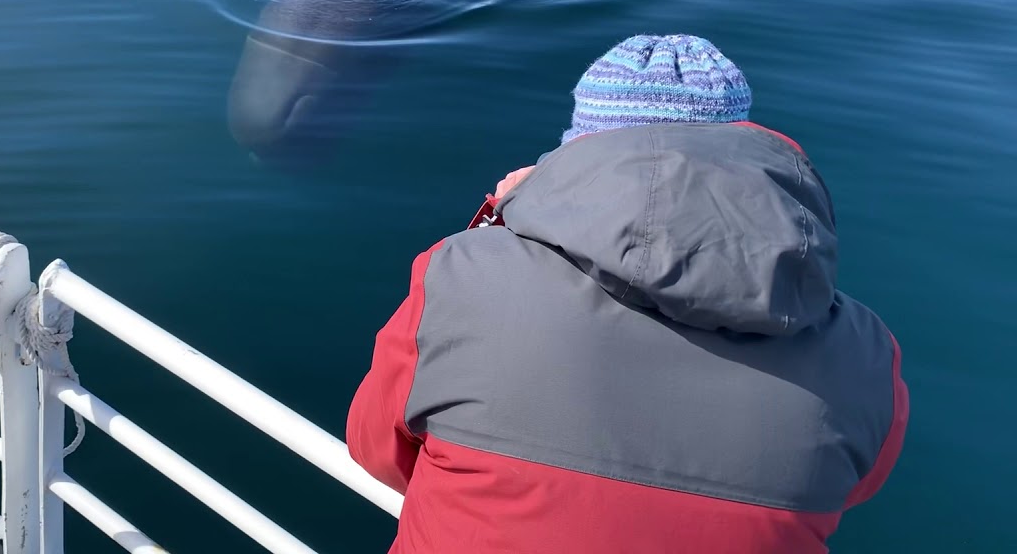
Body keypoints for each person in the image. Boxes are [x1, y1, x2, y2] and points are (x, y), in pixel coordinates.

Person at [345, 34, 909, 554]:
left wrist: (499, 222)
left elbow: (377, 450)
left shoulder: (461, 274)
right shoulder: (866, 349)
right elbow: (849, 488)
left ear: (579, 152)